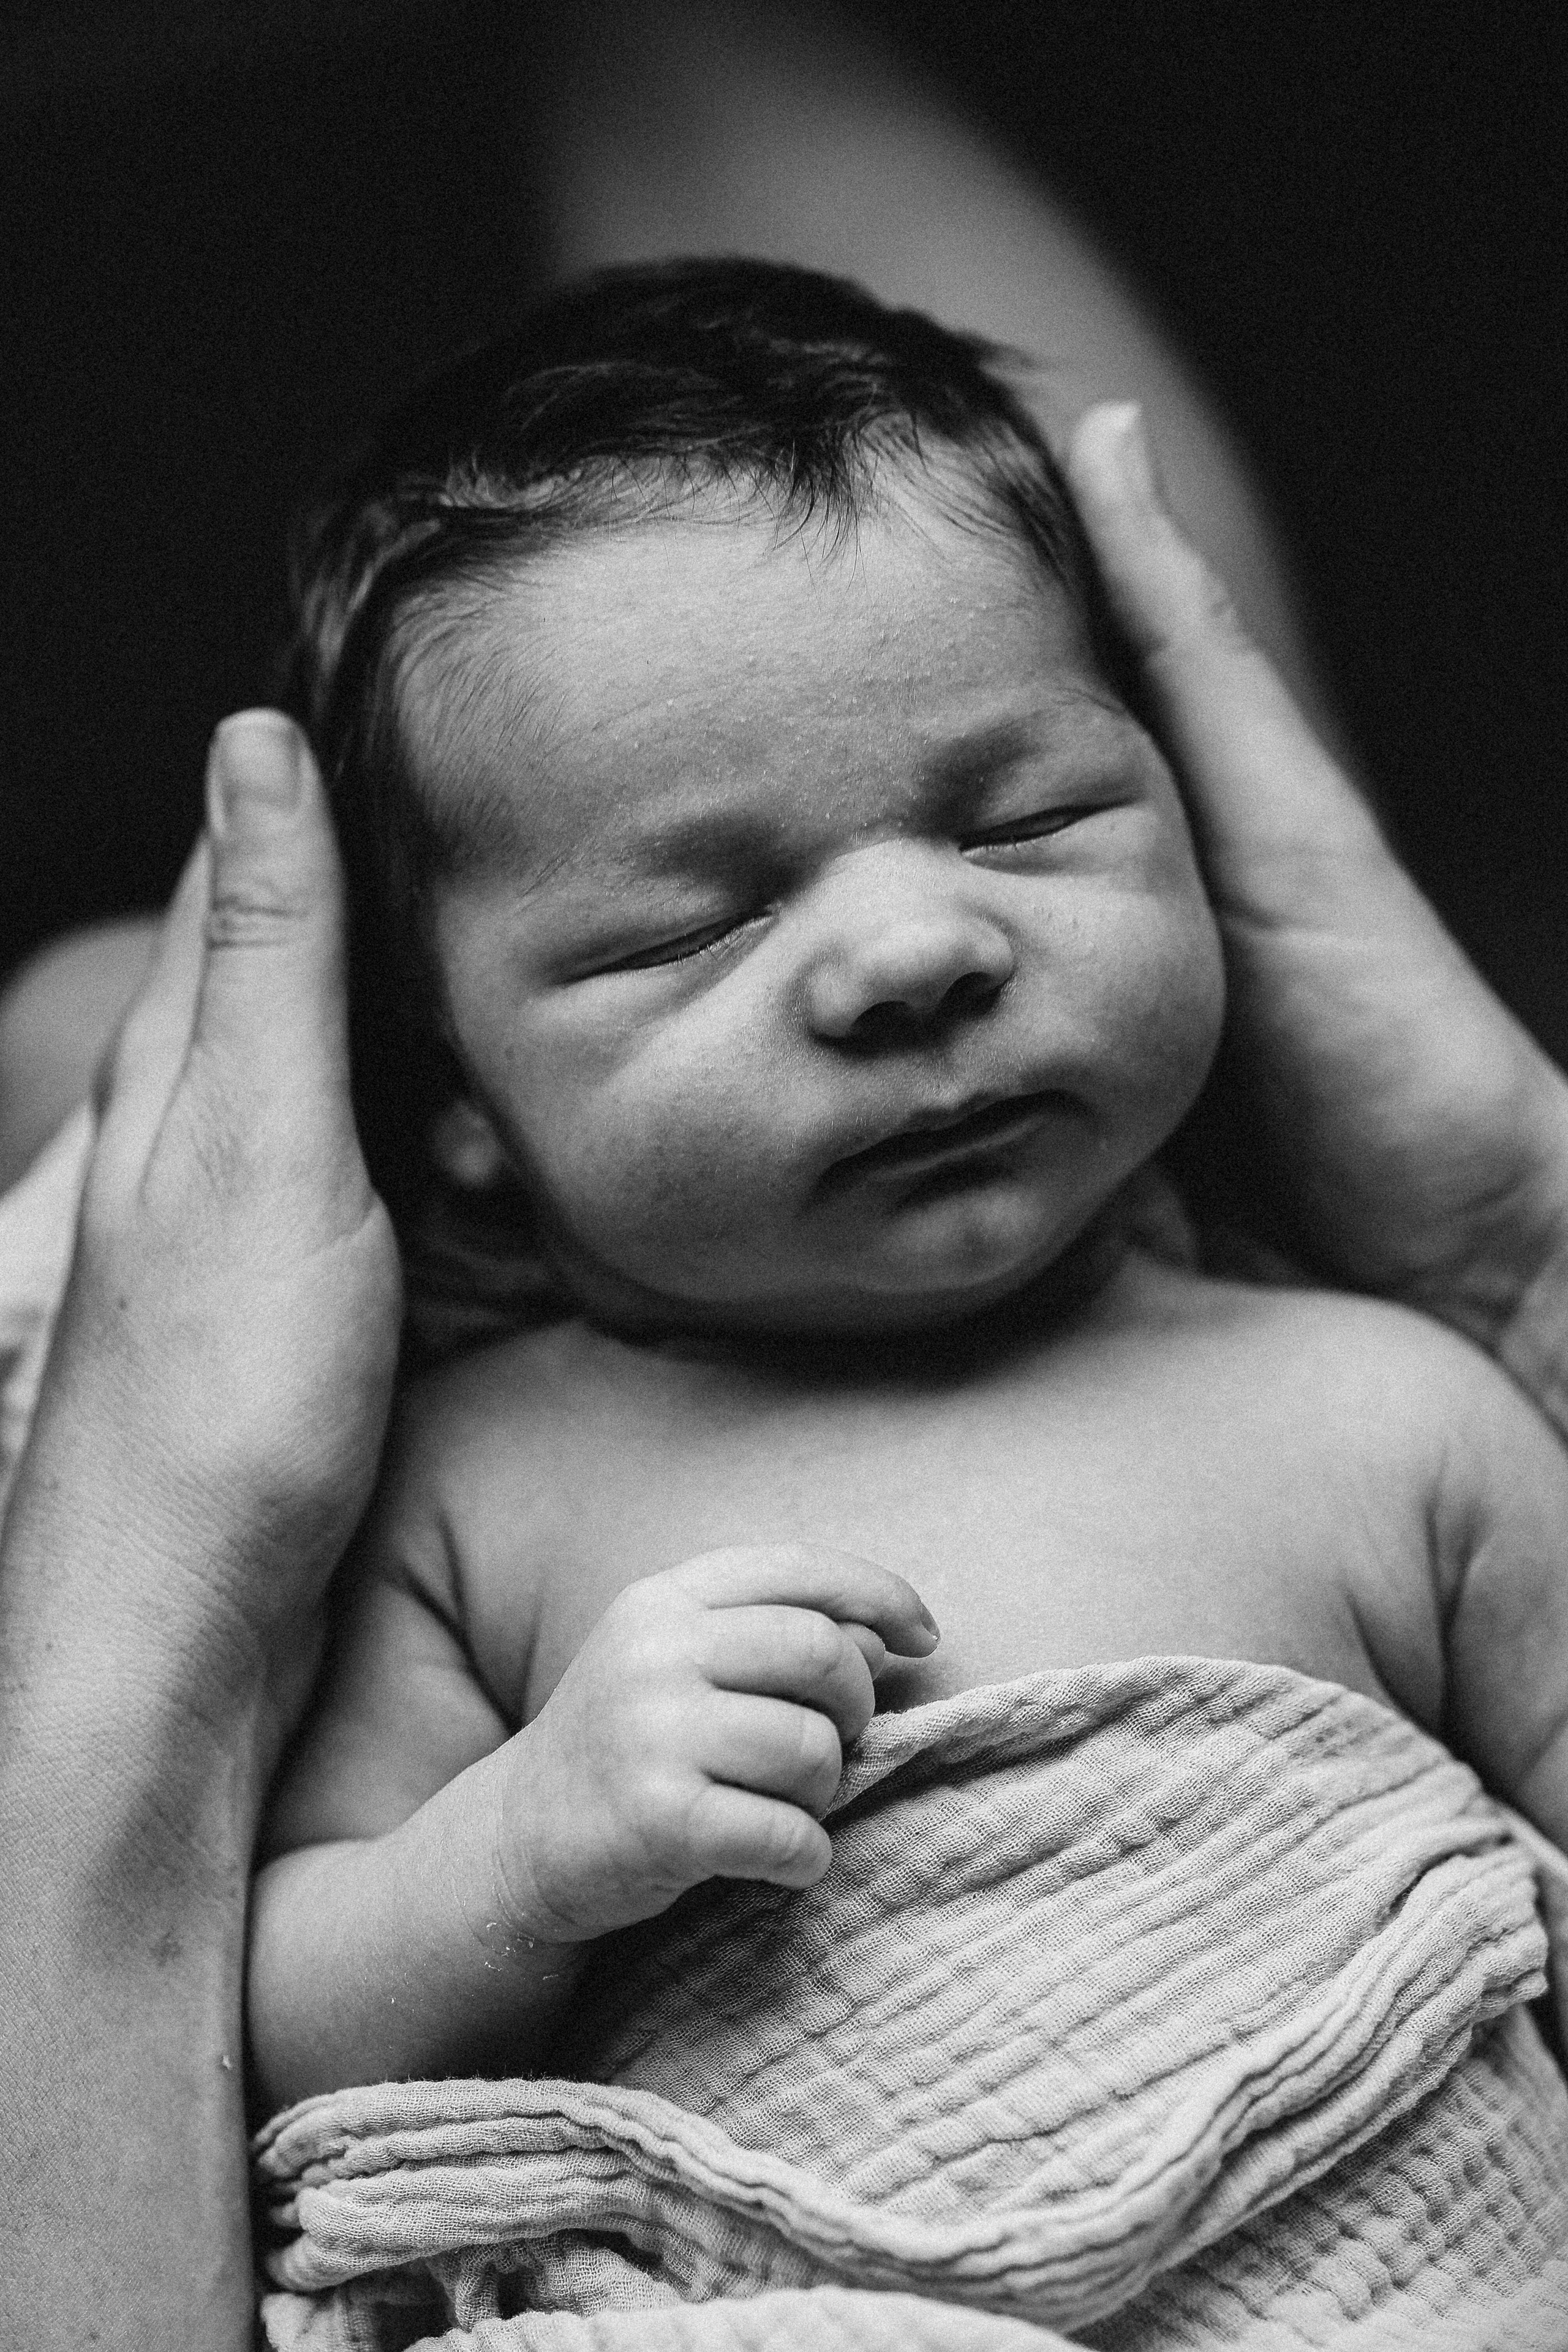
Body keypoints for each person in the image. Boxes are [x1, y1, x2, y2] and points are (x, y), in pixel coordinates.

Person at [6, 391, 1567, 2348]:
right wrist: (514, 1857)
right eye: (696, 922)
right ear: (457, 1099)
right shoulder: (469, 1476)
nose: (915, 948)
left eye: (1026, 818)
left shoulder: (1392, 1404)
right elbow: (269, 2015)